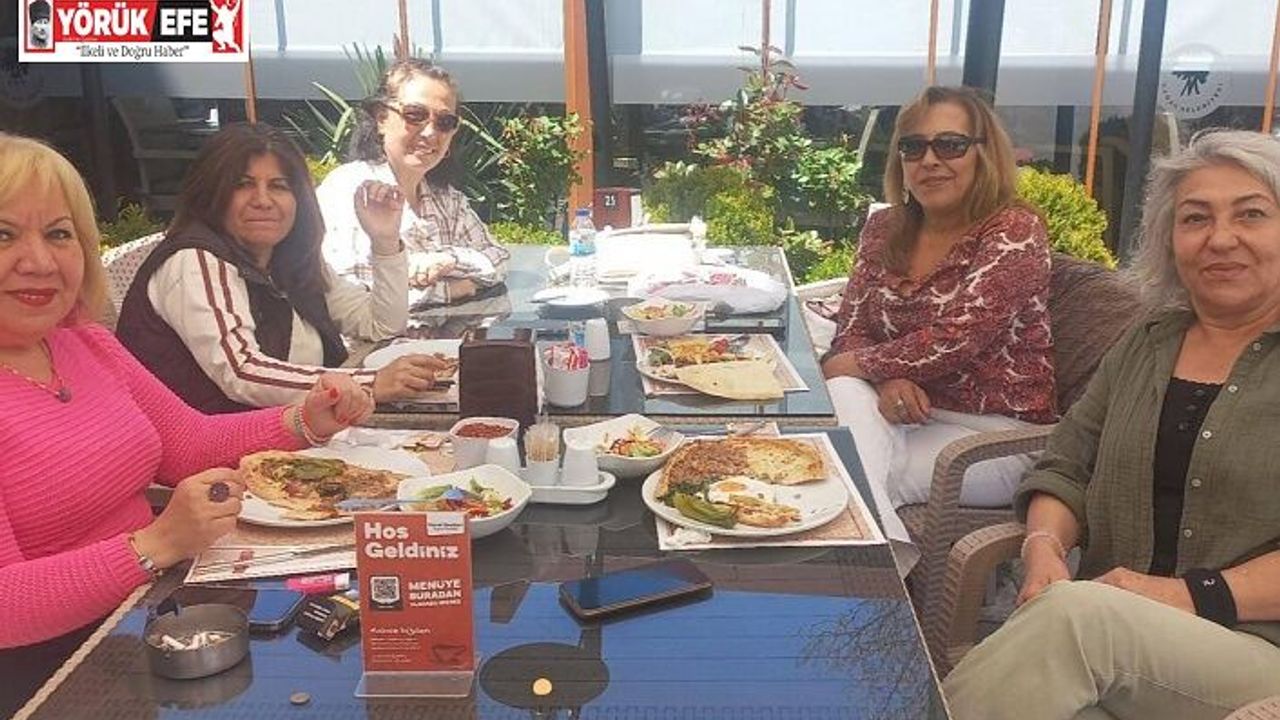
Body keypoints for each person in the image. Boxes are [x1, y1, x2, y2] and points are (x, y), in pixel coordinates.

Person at [0, 133, 374, 712]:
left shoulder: (82, 342)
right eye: (4, 235)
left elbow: (187, 443)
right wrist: (156, 543)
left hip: (155, 620)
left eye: (58, 234)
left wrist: (306, 418)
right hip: (53, 673)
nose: (40, 261)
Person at [943, 129, 1280, 719]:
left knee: (1076, 625)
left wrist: (1179, 595)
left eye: (1251, 214)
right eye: (1195, 218)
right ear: (1170, 239)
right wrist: (1044, 550)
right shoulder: (1147, 343)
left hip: (1255, 652)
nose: (1221, 238)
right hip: (1116, 645)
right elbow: (1065, 464)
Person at [820, 86, 1056, 569]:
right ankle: (882, 570)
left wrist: (859, 364)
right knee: (844, 396)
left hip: (994, 436)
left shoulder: (1014, 230)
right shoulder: (885, 228)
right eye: (913, 146)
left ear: (985, 154)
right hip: (899, 412)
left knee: (843, 472)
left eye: (950, 144)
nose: (929, 160)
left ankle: (868, 576)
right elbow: (852, 326)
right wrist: (885, 377)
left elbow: (956, 338)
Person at [117, 122, 447, 413]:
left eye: (278, 186)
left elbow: (382, 325)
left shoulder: (288, 259)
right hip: (215, 453)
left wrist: (385, 241)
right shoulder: (195, 260)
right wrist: (370, 382)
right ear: (211, 194)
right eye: (243, 184)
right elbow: (242, 372)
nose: (263, 200)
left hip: (298, 431)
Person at [317, 59, 509, 306]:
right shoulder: (349, 190)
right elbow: (353, 292)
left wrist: (448, 259)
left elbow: (499, 258)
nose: (430, 133)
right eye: (415, 115)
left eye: (444, 122)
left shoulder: (446, 199)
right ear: (382, 118)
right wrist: (451, 290)